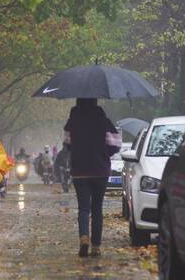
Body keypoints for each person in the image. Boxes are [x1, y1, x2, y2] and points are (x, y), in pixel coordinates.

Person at [63, 98, 121, 257]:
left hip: (80, 170)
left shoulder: (72, 121)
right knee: (97, 209)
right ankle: (96, 246)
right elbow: (116, 145)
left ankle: (84, 239)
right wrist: (104, 153)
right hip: (100, 170)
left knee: (83, 208)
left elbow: (67, 143)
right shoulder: (104, 121)